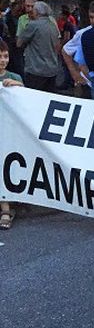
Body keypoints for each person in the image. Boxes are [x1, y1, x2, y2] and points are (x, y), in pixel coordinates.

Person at [0, 40, 24, 229]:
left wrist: (16, 85)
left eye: (5, 56)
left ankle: (7, 207)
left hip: (9, 130)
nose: (3, 60)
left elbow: (27, 100)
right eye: (0, 57)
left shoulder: (14, 76)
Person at [16, 1, 60, 93]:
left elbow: (19, 43)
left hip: (36, 69)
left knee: (33, 98)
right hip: (52, 69)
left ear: (36, 11)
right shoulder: (53, 25)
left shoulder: (33, 25)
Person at [62, 2, 94, 99]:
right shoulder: (82, 33)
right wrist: (74, 74)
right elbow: (66, 51)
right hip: (87, 82)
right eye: (91, 17)